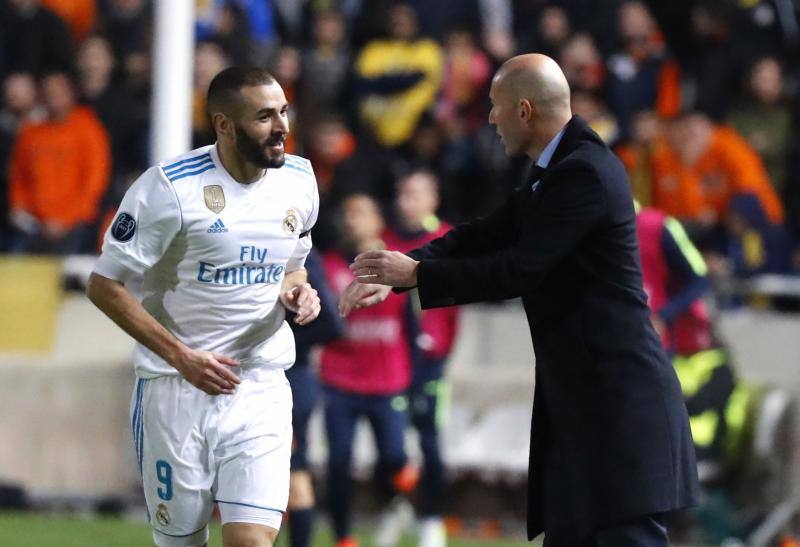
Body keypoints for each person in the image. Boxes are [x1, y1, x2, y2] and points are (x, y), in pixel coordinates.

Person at [340, 53, 699, 547]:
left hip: (618, 410)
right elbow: (486, 234)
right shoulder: (551, 171)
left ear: (524, 110)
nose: (489, 118)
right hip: (585, 408)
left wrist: (420, 274)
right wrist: (401, 269)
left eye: (495, 106)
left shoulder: (584, 172)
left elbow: (519, 268)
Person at [86, 66, 322, 547]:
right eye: (263, 117)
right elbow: (103, 284)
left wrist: (299, 290)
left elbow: (292, 265)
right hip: (174, 391)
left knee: (251, 540)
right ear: (223, 125)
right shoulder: (170, 189)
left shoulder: (299, 180)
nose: (281, 127)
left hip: (259, 385)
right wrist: (182, 358)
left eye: (283, 111)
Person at [320, 193, 419, 547]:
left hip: (389, 379)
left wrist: (419, 376)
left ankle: (394, 499)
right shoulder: (328, 263)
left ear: (378, 221)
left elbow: (412, 324)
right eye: (347, 212)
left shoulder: (396, 265)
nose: (351, 220)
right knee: (338, 463)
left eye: (360, 212)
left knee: (394, 457)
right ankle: (343, 537)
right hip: (340, 379)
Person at [382, 170, 459, 547]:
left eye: (414, 193)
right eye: (402, 193)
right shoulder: (387, 240)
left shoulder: (444, 238)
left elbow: (454, 306)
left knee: (428, 437)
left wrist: (440, 347)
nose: (405, 200)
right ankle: (399, 506)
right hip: (390, 358)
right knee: (392, 441)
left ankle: (431, 517)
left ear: (433, 199)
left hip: (430, 359)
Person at [9, 70, 110, 253]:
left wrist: (66, 219)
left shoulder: (87, 128)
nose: (53, 97)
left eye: (58, 91)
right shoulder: (30, 133)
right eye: (48, 92)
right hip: (35, 225)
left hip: (76, 224)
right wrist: (22, 209)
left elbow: (94, 180)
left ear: (71, 93)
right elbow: (19, 177)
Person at [285, 249, 347, 547]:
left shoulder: (304, 258)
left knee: (294, 471)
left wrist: (276, 339)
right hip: (276, 380)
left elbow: (331, 324)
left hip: (290, 382)